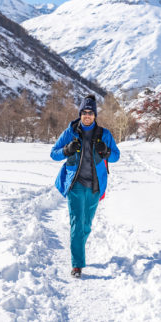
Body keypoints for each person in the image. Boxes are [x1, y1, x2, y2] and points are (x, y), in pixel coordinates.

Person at [51, 94, 120, 279]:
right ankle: (77, 265)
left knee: (86, 225)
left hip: (95, 187)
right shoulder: (70, 132)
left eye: (90, 112)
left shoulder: (104, 134)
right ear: (80, 114)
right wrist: (67, 150)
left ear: (95, 115)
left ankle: (78, 248)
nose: (87, 115)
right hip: (76, 185)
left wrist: (106, 152)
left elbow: (116, 156)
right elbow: (53, 154)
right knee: (76, 224)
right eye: (84, 112)